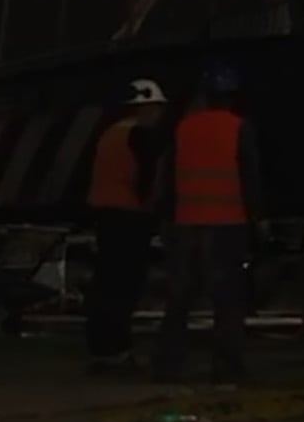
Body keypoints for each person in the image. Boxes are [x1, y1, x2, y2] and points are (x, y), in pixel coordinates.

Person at [153, 60, 264, 388]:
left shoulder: (185, 128)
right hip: (227, 224)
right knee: (227, 299)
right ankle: (226, 368)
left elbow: (170, 178)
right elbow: (250, 176)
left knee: (180, 298)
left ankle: (167, 365)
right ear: (233, 96)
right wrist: (257, 218)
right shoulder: (239, 128)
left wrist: (168, 219)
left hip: (187, 223)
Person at [83, 78, 169, 373]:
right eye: (156, 107)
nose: (159, 114)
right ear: (145, 107)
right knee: (124, 285)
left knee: (105, 283)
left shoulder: (109, 134)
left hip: (106, 215)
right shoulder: (141, 135)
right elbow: (146, 181)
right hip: (131, 217)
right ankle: (117, 350)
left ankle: (101, 349)